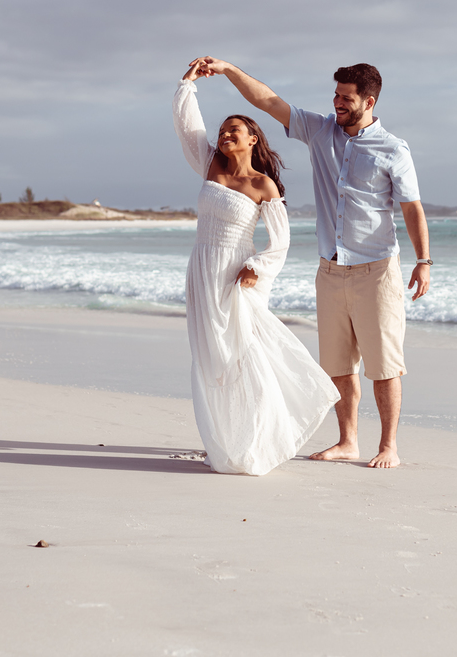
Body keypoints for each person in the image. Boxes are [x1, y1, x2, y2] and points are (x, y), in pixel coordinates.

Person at [191, 57, 431, 469]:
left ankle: (388, 445)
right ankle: (348, 441)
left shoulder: (393, 149)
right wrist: (229, 70)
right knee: (338, 363)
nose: (336, 103)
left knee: (384, 365)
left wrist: (423, 260)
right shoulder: (321, 131)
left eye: (346, 98)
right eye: (335, 95)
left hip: (376, 269)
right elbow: (267, 101)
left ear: (368, 101)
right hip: (330, 268)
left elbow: (411, 208)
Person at [171, 60, 340, 475]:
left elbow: (280, 240)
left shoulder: (264, 184)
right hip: (202, 269)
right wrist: (187, 87)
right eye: (223, 129)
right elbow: (187, 126)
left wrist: (256, 268)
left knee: (242, 354)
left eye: (235, 130)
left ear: (252, 139)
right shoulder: (210, 164)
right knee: (209, 357)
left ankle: (261, 435)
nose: (226, 134)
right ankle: (224, 442)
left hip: (238, 274)